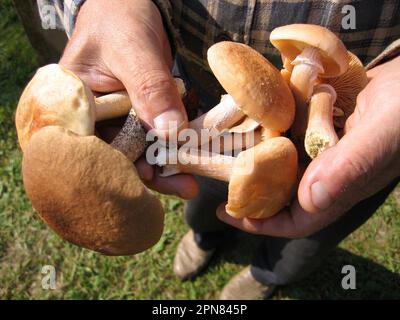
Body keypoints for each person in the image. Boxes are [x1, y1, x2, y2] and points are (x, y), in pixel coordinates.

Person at [36, 0, 400, 299]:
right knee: (204, 204)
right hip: (197, 96)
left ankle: (268, 274)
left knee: (311, 230)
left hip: (365, 122)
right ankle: (203, 237)